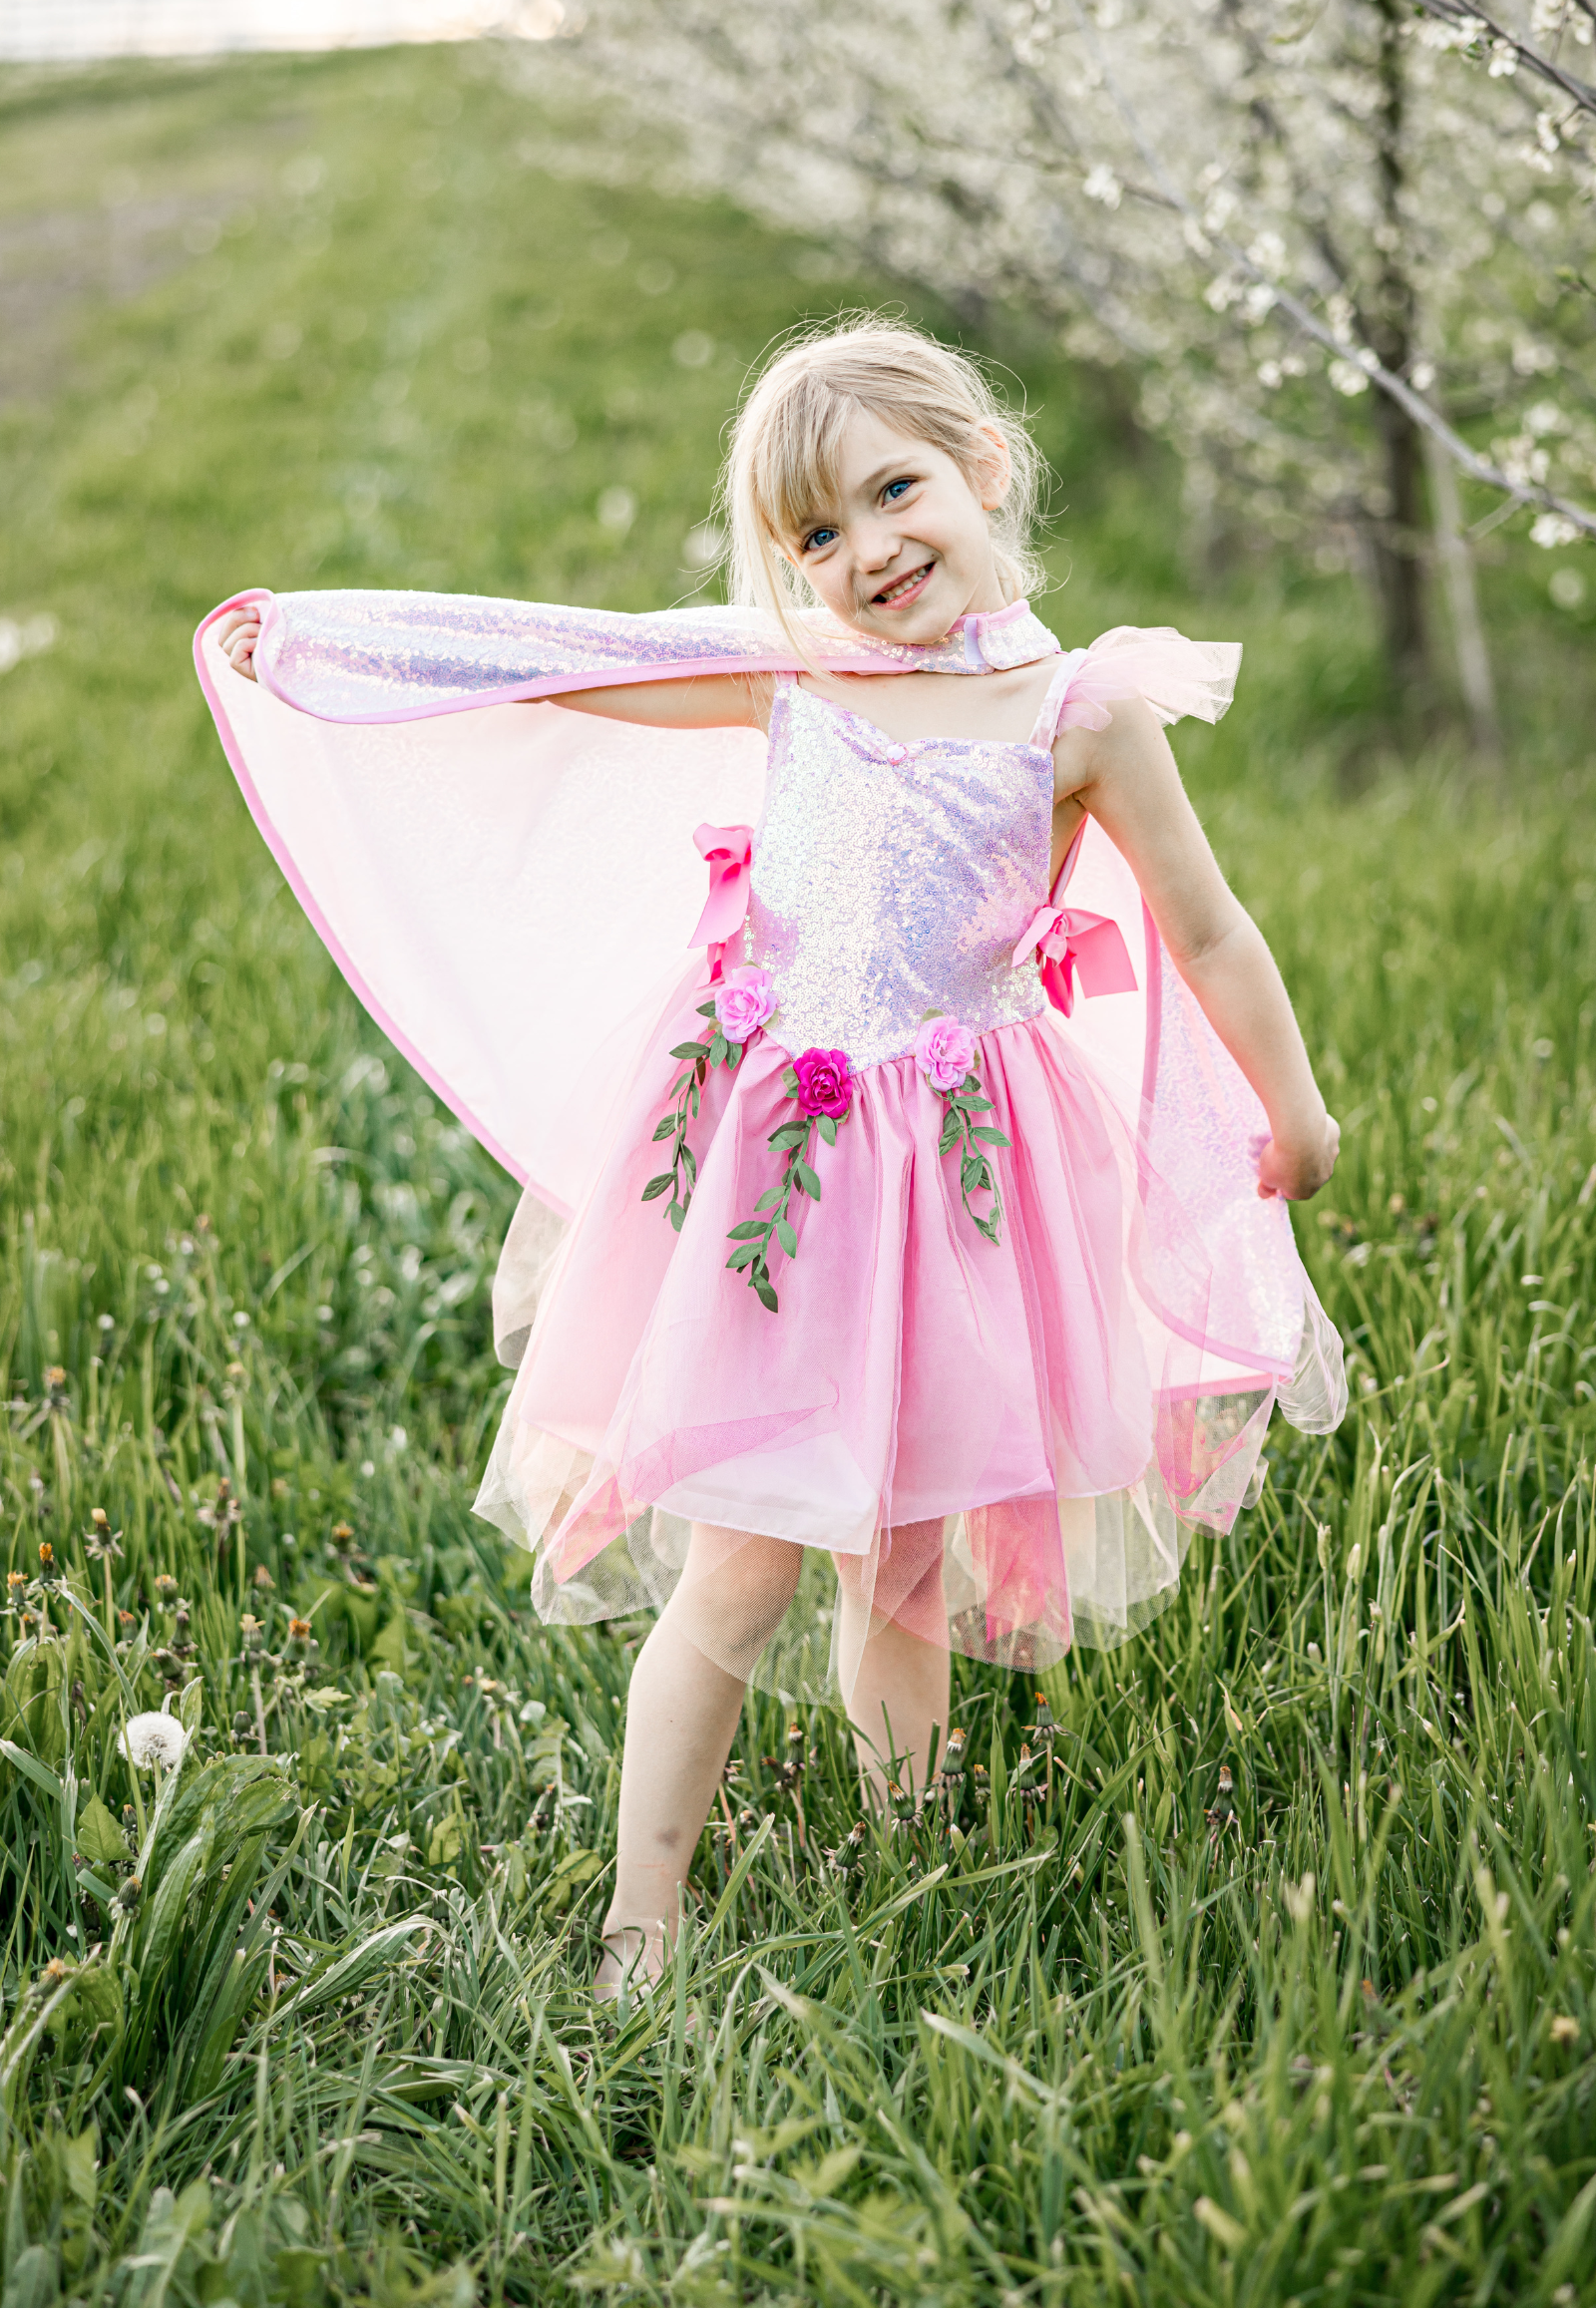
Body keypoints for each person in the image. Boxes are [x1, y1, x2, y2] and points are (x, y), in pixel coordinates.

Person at [204, 315, 1344, 2009]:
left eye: (896, 492)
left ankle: (913, 1872)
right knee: (738, 1564)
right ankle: (638, 1919)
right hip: (787, 1188)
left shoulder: (1084, 713)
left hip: (959, 1184)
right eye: (817, 532)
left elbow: (1209, 926)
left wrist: (1295, 1105)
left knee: (907, 1562)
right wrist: (329, 648)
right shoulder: (803, 673)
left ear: (985, 469)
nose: (870, 550)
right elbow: (558, 659)